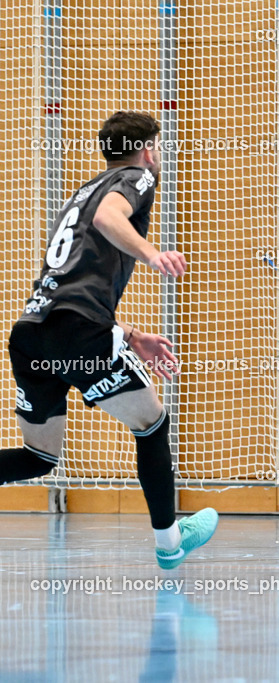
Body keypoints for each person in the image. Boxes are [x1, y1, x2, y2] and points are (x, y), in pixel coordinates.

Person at [2, 111, 217, 569]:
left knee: (39, 457)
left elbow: (67, 290)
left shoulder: (82, 191)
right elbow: (108, 217)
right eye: (155, 147)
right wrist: (153, 253)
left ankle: (171, 538)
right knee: (152, 423)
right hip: (76, 334)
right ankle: (170, 542)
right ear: (146, 148)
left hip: (32, 334)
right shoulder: (136, 177)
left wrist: (130, 335)